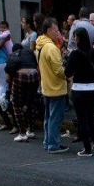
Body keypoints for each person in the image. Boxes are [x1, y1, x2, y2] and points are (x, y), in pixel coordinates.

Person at [65, 27, 94, 156]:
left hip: (78, 89)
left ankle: (87, 148)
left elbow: (67, 72)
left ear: (78, 38)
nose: (74, 39)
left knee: (82, 119)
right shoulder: (93, 52)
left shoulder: (75, 54)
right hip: (92, 88)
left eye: (75, 37)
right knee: (91, 118)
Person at [36, 17, 69, 154]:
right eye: (56, 31)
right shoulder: (51, 48)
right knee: (55, 118)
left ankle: (47, 141)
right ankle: (53, 144)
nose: (58, 33)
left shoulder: (40, 44)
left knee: (48, 117)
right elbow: (59, 71)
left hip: (46, 87)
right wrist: (69, 73)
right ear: (49, 30)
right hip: (56, 88)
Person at [5, 43, 39, 142]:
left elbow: (7, 79)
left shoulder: (12, 56)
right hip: (34, 75)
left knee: (16, 104)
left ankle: (22, 133)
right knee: (31, 102)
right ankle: (31, 131)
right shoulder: (30, 51)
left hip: (20, 76)